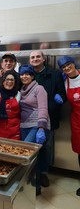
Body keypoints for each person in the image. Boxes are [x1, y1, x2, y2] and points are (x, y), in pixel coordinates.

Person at [29, 50, 66, 188]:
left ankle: (43, 173)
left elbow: (62, 93)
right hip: (30, 119)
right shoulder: (27, 75)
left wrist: (60, 98)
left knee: (46, 147)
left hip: (49, 117)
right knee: (31, 147)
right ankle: (32, 173)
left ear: (44, 59)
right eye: (32, 57)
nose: (35, 59)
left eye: (38, 56)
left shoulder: (55, 74)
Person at [19, 64, 50, 196]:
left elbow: (43, 108)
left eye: (27, 74)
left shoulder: (39, 88)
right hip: (24, 126)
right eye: (22, 74)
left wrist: (41, 128)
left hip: (38, 125)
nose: (24, 76)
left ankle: (35, 188)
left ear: (32, 76)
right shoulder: (21, 90)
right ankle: (29, 186)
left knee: (27, 155)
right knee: (32, 159)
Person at [57, 55, 80, 196]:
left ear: (74, 64)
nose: (66, 68)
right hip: (77, 120)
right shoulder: (66, 82)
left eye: (68, 64)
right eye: (63, 67)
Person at [0, 70, 21, 140]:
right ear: (3, 81)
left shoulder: (18, 94)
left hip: (15, 129)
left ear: (15, 82)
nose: (10, 82)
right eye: (7, 79)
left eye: (12, 80)